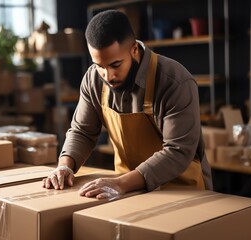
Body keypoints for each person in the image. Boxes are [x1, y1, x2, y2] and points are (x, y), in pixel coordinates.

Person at [42, 9, 213, 199]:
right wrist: (65, 166)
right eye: (100, 66)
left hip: (181, 191)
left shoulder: (174, 82)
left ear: (134, 50)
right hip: (129, 191)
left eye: (115, 65)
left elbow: (178, 151)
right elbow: (82, 131)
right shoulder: (93, 79)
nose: (108, 76)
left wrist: (121, 183)